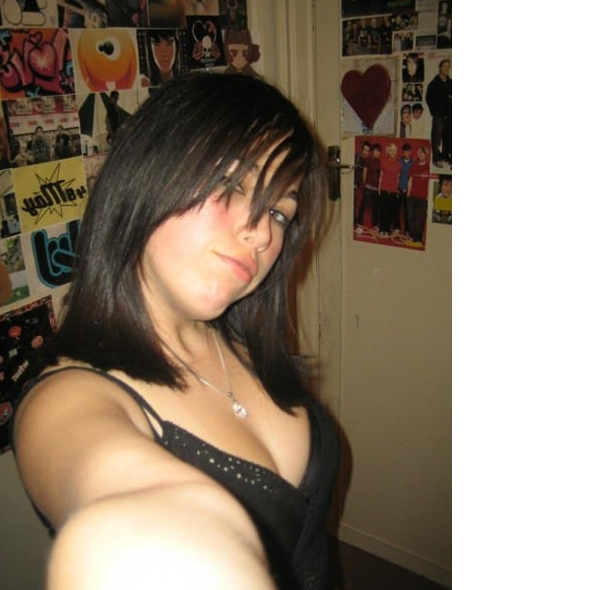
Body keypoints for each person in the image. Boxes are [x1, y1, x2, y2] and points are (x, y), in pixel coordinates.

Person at [11, 73, 339, 590]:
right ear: (148, 175)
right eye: (232, 184)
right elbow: (128, 506)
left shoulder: (239, 344)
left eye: (280, 212)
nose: (261, 233)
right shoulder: (66, 400)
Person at [425, 58, 452, 167]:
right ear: (440, 68)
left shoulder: (451, 83)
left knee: (449, 137)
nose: (446, 68)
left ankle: (447, 157)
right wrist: (435, 111)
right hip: (438, 115)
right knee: (436, 138)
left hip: (450, 115)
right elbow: (429, 99)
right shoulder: (434, 83)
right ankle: (436, 158)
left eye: (448, 67)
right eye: (444, 66)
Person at [406, 145, 431, 243]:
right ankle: (413, 238)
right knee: (410, 218)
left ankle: (418, 239)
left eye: (423, 153)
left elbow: (430, 183)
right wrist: (408, 195)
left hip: (423, 199)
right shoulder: (413, 166)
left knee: (419, 220)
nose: (421, 155)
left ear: (426, 155)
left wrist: (428, 196)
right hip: (412, 197)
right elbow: (410, 180)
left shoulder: (428, 167)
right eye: (420, 153)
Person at [355, 142, 381, 231]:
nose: (377, 153)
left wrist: (379, 187)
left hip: (376, 188)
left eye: (379, 151)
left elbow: (380, 175)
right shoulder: (368, 160)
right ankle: (359, 224)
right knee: (363, 206)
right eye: (375, 151)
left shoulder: (379, 162)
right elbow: (364, 172)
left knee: (375, 207)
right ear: (372, 151)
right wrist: (365, 184)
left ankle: (375, 225)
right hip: (368, 187)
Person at [378, 142, 401, 236]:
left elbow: (398, 178)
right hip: (384, 189)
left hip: (393, 191)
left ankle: (387, 230)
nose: (392, 152)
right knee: (383, 210)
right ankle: (382, 229)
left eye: (394, 150)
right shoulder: (383, 162)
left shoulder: (399, 164)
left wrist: (396, 189)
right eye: (391, 150)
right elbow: (381, 176)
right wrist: (379, 188)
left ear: (396, 152)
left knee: (390, 211)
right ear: (388, 151)